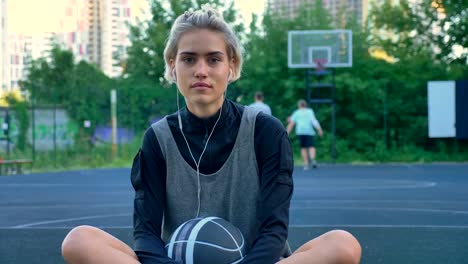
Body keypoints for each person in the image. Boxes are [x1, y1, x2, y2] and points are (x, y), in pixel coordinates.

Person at [61, 6, 361, 264]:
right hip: (177, 258)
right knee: (79, 240)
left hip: (257, 261)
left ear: (231, 66)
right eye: (189, 59)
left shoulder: (265, 131)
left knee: (343, 245)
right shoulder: (158, 138)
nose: (201, 70)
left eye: (213, 59)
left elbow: (274, 228)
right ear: (172, 67)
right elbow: (146, 232)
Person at [287, 99, 323, 170]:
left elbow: (291, 123)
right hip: (309, 132)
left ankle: (306, 164)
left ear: (299, 105)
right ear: (305, 105)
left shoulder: (297, 112)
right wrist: (319, 129)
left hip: (301, 132)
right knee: (311, 146)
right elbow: (314, 121)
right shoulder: (310, 111)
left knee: (303, 148)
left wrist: (286, 132)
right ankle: (312, 159)